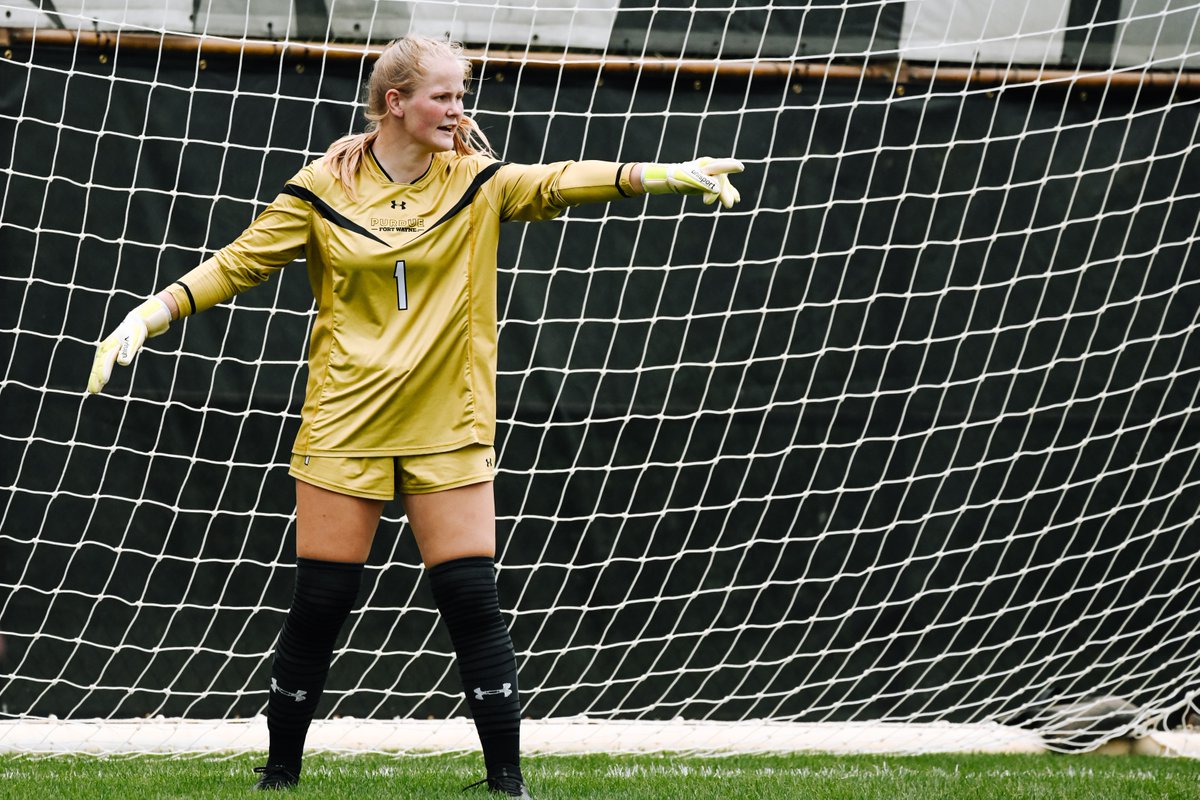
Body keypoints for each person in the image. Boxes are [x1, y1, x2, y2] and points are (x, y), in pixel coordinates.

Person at [87, 34, 743, 796]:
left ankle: (507, 783)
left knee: (472, 599)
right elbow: (236, 263)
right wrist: (150, 313)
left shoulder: (477, 181)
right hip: (345, 424)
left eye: (462, 96)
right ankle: (279, 777)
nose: (458, 111)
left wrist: (658, 175)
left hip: (447, 421)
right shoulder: (321, 190)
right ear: (395, 102)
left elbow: (558, 181)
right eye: (444, 96)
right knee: (322, 603)